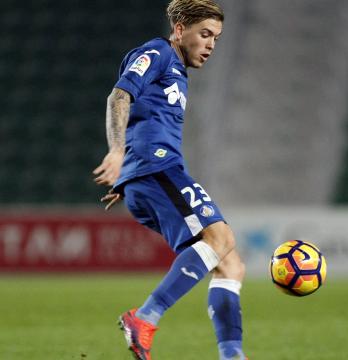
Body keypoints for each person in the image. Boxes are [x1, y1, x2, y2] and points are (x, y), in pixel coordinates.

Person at [92, 1, 246, 359]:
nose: (210, 45)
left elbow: (144, 115)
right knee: (221, 238)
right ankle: (144, 317)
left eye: (216, 39)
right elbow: (119, 95)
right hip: (157, 169)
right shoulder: (157, 52)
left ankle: (232, 354)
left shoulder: (177, 69)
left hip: (148, 173)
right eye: (204, 34)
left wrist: (127, 173)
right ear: (179, 30)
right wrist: (118, 153)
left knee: (230, 263)